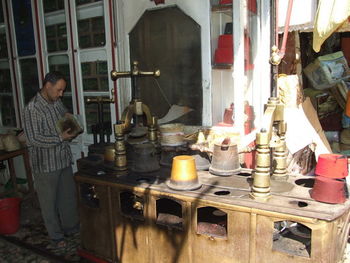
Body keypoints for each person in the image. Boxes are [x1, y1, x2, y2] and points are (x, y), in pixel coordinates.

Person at [23, 71, 80, 248]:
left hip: (62, 159)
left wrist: (71, 121)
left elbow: (63, 116)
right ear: (48, 86)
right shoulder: (32, 109)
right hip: (46, 164)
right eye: (59, 90)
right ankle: (56, 236)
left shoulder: (56, 101)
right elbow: (33, 139)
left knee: (68, 197)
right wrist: (60, 138)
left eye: (62, 90)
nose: (61, 94)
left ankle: (71, 227)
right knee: (49, 203)